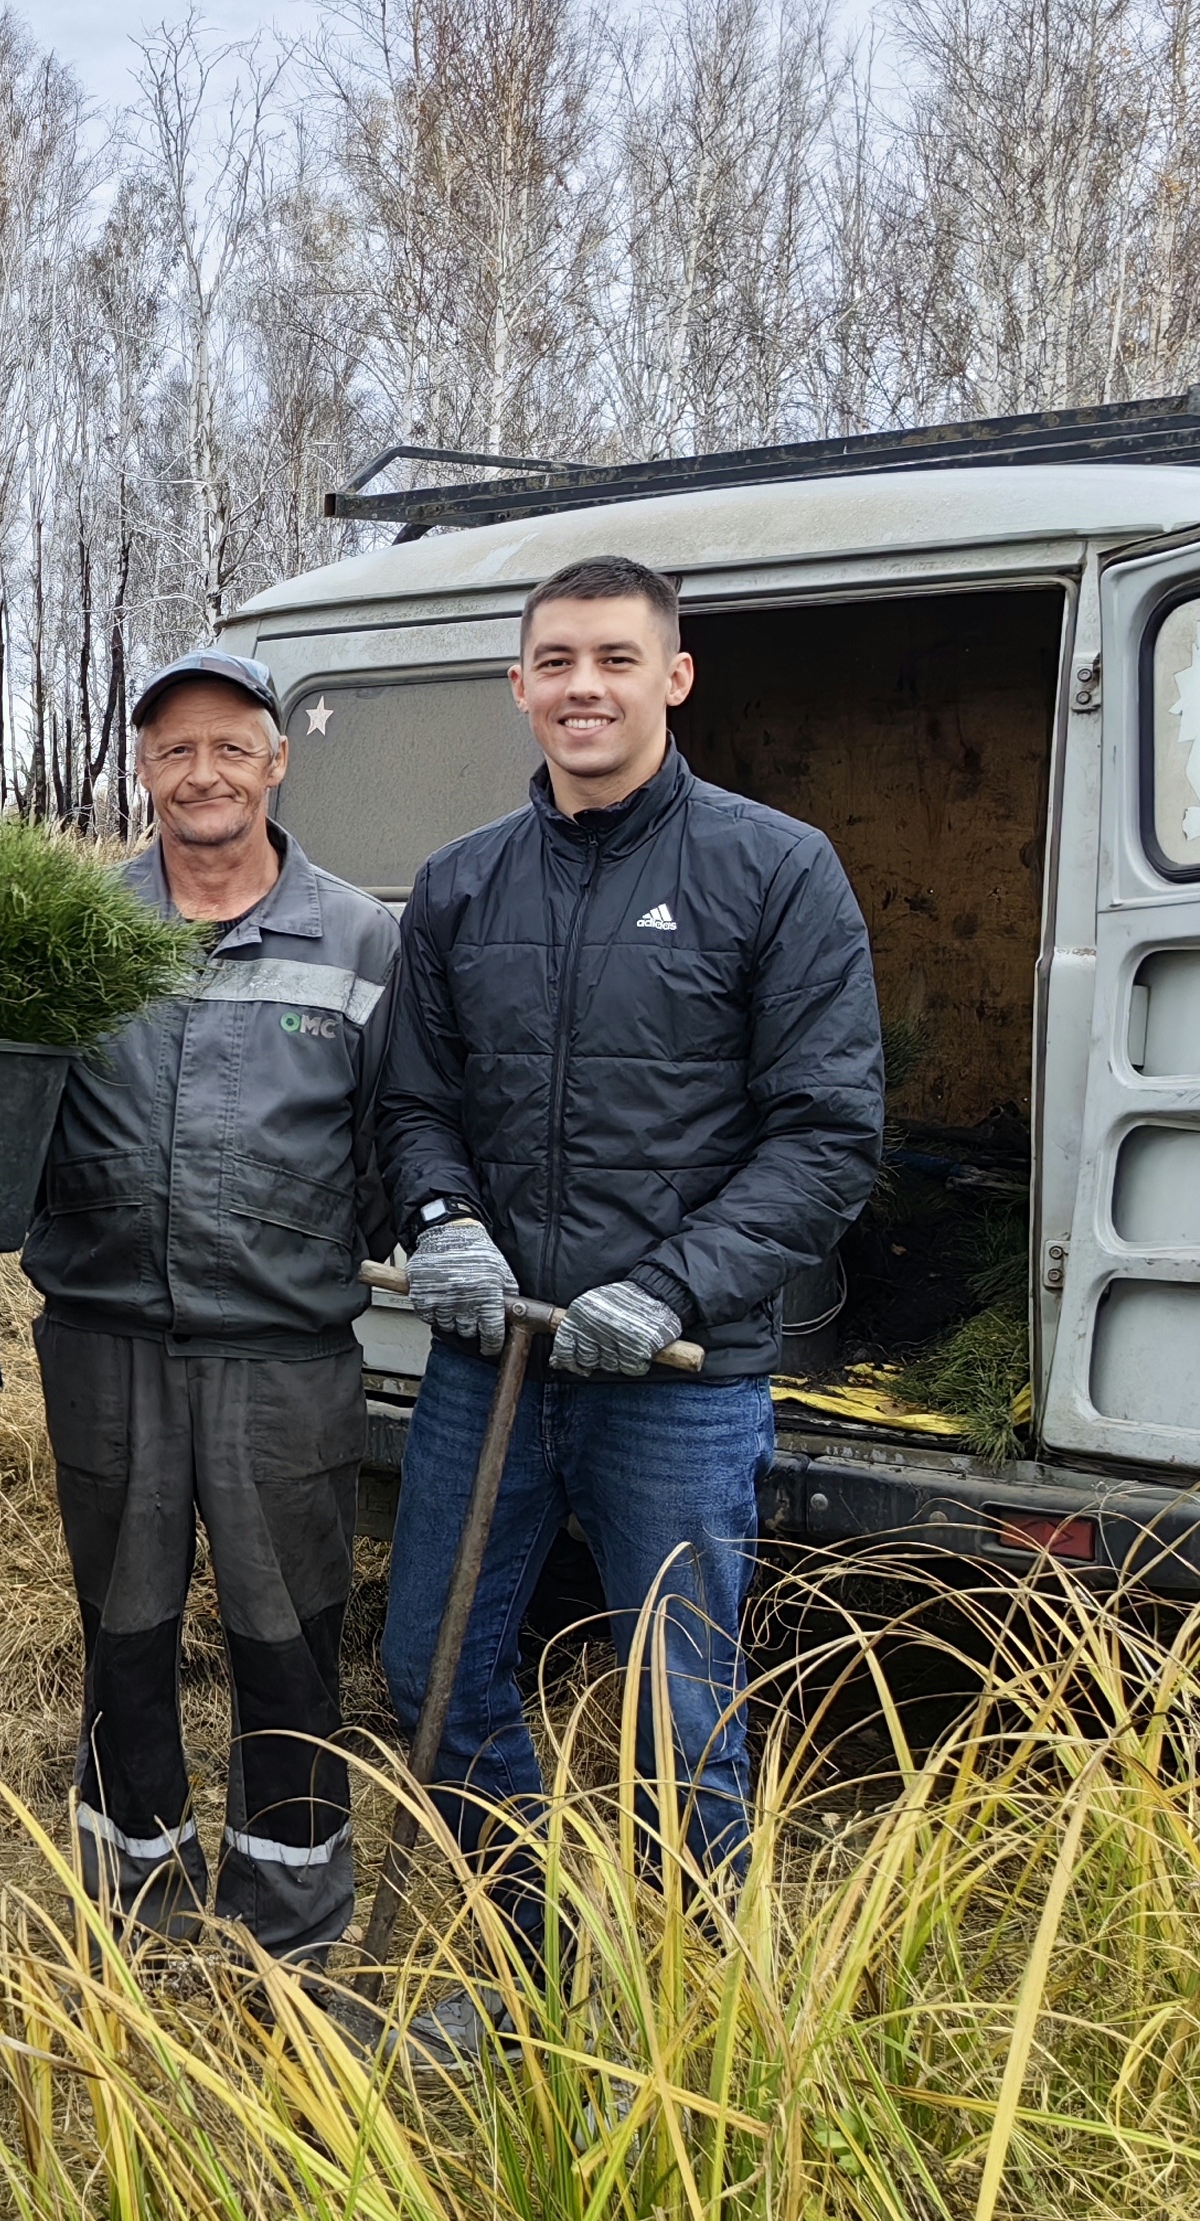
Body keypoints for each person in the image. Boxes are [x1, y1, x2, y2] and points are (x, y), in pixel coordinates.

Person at [376, 553, 882, 2000]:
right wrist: (440, 1218)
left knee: (675, 1713)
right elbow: (412, 1103)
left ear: (672, 675)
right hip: (493, 1362)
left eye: (611, 657)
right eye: (553, 660)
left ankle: (682, 2025)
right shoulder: (463, 882)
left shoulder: (772, 869)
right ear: (518, 685)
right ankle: (535, 1965)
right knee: (432, 1676)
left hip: (675, 1380)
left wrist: (667, 1287)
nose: (579, 686)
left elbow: (823, 1135)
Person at [24, 649, 398, 1960]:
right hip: (102, 1341)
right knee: (119, 1631)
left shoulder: (357, 937)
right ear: (142, 766)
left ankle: (288, 1920)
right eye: (173, 748)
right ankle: (131, 1904)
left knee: (286, 1637)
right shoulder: (75, 932)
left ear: (274, 761)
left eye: (229, 746)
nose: (201, 772)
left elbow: (394, 1133)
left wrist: (445, 1226)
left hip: (282, 1355)